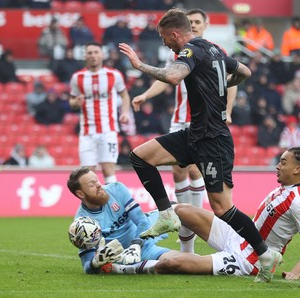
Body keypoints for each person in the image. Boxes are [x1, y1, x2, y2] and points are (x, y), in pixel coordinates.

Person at [119, 8, 282, 282]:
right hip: (194, 133)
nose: (164, 44)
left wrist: (139, 66)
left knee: (222, 208)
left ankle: (265, 253)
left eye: (164, 38)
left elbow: (173, 77)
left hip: (213, 140)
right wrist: (222, 85)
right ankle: (166, 214)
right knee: (140, 156)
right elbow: (244, 71)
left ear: (174, 34)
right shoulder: (214, 49)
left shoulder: (191, 50)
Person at [103, 117, 300, 281]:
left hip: (250, 260)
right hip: (238, 236)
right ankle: (179, 253)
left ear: (297, 169)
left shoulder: (299, 202)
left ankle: (116, 268)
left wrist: (295, 273)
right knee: (181, 210)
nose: (278, 165)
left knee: (170, 264)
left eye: (283, 163)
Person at [131, 8, 237, 226]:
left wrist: (228, 110)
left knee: (196, 171)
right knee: (178, 173)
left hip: (205, 122)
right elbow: (169, 77)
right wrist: (146, 94)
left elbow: (230, 80)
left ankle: (195, 218)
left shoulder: (215, 51)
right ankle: (184, 228)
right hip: (180, 118)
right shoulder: (180, 52)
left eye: (198, 21)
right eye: (191, 21)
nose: (194, 24)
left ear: (205, 25)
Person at [66, 166, 186, 274]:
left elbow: (141, 221)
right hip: (130, 253)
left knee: (179, 210)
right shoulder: (83, 224)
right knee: (176, 262)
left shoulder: (116, 189)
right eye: (92, 184)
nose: (99, 185)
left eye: (97, 180)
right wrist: (95, 263)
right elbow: (87, 265)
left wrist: (136, 244)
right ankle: (188, 255)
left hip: (142, 234)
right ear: (80, 194)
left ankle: (187, 249)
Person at [69, 42, 131, 184]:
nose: (93, 56)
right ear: (85, 56)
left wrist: (125, 112)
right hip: (86, 132)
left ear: (102, 55)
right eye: (90, 53)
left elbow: (125, 95)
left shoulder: (114, 75)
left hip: (108, 130)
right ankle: (92, 206)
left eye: (96, 52)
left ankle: (112, 204)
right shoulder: (77, 78)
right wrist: (75, 103)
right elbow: (72, 101)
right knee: (87, 174)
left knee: (108, 170)